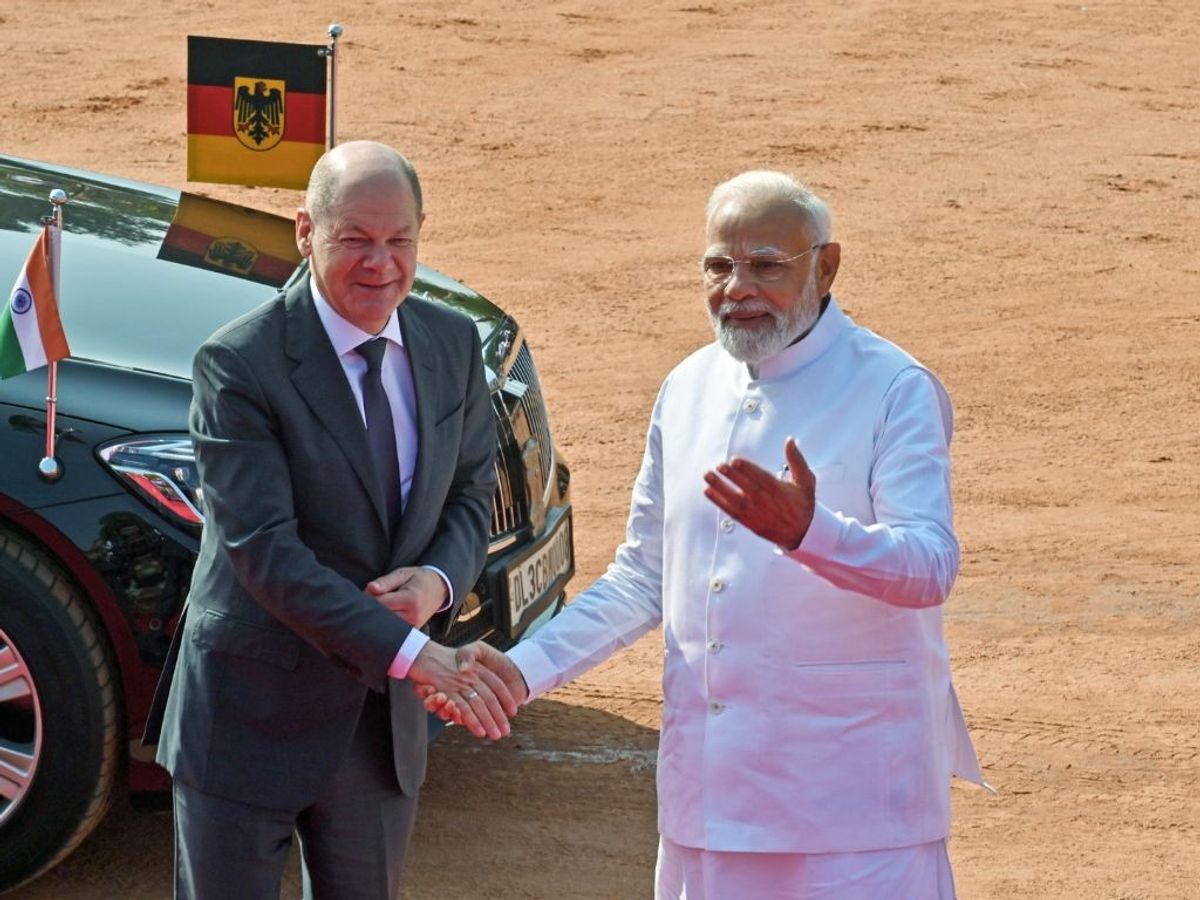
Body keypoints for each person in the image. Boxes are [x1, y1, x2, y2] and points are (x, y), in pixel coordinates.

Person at [432, 170, 989, 898]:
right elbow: (642, 578)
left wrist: (811, 532)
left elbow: (928, 566)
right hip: (712, 804)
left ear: (827, 266)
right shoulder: (688, 387)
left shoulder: (893, 388)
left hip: (855, 811)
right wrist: (525, 669)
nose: (738, 288)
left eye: (766, 266)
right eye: (719, 266)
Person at [146, 141, 516, 900]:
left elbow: (472, 492)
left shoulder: (450, 342)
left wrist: (438, 585)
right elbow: (265, 552)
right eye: (355, 240)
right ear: (305, 233)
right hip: (249, 718)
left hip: (376, 734)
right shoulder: (239, 365)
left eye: (398, 240)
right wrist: (414, 652)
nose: (380, 263)